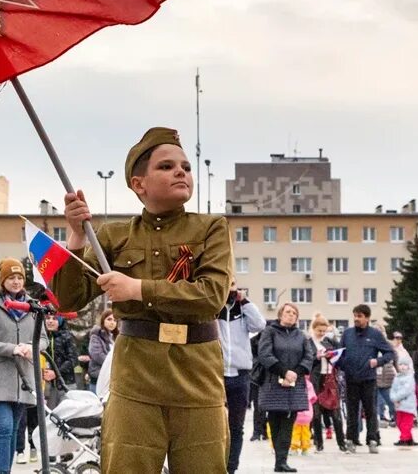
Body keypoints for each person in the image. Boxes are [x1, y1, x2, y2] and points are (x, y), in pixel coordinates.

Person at [51, 127, 232, 474]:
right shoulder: (114, 235)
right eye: (166, 166)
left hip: (197, 374)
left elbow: (211, 296)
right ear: (138, 183)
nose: (181, 171)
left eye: (185, 167)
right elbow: (67, 298)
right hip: (136, 377)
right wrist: (75, 235)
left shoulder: (211, 228)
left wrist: (136, 289)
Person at [0, 258, 49, 474]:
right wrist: (12, 348)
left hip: (24, 377)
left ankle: (5, 471)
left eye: (19, 278)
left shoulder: (34, 306)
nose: (16, 282)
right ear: (3, 281)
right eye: (11, 278)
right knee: (4, 427)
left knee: (14, 428)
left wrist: (31, 346)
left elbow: (44, 339)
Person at [257, 302, 315, 473]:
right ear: (280, 314)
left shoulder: (301, 335)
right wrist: (283, 371)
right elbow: (264, 354)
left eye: (294, 313)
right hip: (274, 383)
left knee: (289, 423)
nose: (291, 315)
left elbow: (308, 356)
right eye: (288, 312)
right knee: (275, 421)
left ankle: (282, 461)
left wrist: (295, 372)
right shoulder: (270, 331)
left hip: (295, 384)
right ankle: (279, 460)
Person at [218, 278, 265, 474]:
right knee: (214, 425)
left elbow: (259, 324)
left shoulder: (242, 311)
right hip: (216, 375)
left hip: (240, 376)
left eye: (233, 284)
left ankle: (231, 468)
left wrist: (244, 301)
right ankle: (215, 464)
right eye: (227, 284)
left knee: (236, 426)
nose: (231, 288)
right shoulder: (215, 309)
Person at [337, 304, 394, 454]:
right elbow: (339, 354)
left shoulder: (375, 334)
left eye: (360, 316)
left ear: (367, 318)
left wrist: (378, 361)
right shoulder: (347, 334)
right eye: (355, 315)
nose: (356, 319)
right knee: (352, 411)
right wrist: (344, 365)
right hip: (351, 378)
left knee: (370, 411)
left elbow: (390, 353)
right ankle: (351, 439)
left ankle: (372, 440)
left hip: (369, 379)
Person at [308, 314, 345, 452]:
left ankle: (342, 442)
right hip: (315, 379)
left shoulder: (330, 341)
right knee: (316, 413)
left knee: (335, 412)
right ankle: (318, 443)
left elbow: (340, 357)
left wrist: (333, 356)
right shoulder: (308, 342)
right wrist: (317, 357)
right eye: (319, 331)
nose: (322, 333)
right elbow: (306, 361)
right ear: (313, 329)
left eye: (324, 331)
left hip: (330, 378)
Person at [389, 354, 418, 446]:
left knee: (406, 423)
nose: (402, 367)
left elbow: (406, 390)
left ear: (409, 367)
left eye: (405, 365)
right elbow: (393, 389)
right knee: (399, 422)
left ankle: (404, 438)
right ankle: (408, 438)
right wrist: (393, 398)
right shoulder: (397, 377)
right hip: (399, 406)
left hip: (408, 405)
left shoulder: (410, 378)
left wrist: (397, 398)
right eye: (400, 365)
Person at [87, 309, 117, 394]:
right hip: (98, 376)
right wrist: (113, 364)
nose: (112, 322)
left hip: (111, 377)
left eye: (115, 320)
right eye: (109, 319)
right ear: (103, 320)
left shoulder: (115, 337)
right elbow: (97, 355)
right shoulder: (96, 335)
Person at [289, 375, 317, 455]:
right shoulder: (309, 384)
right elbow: (313, 398)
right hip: (307, 414)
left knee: (295, 432)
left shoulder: (294, 383)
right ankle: (305, 449)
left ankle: (294, 448)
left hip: (296, 413)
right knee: (306, 432)